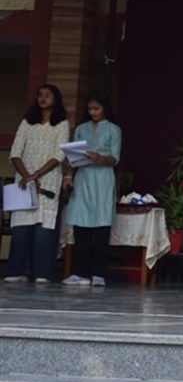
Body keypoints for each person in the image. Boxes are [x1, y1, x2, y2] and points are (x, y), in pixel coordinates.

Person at [6, 85, 69, 284]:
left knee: (44, 230)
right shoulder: (27, 122)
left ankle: (41, 273)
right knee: (21, 229)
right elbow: (15, 152)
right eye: (40, 95)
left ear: (56, 99)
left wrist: (37, 175)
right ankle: (17, 271)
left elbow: (59, 154)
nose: (43, 98)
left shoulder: (62, 124)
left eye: (47, 95)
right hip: (24, 183)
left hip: (47, 181)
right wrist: (27, 176)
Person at [62, 91, 122, 286]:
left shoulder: (113, 129)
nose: (93, 112)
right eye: (90, 109)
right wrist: (68, 176)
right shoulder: (81, 129)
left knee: (101, 227)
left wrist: (100, 158)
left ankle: (99, 273)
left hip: (103, 179)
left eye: (96, 108)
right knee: (81, 226)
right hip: (83, 178)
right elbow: (72, 157)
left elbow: (115, 159)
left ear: (104, 108)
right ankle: (79, 272)